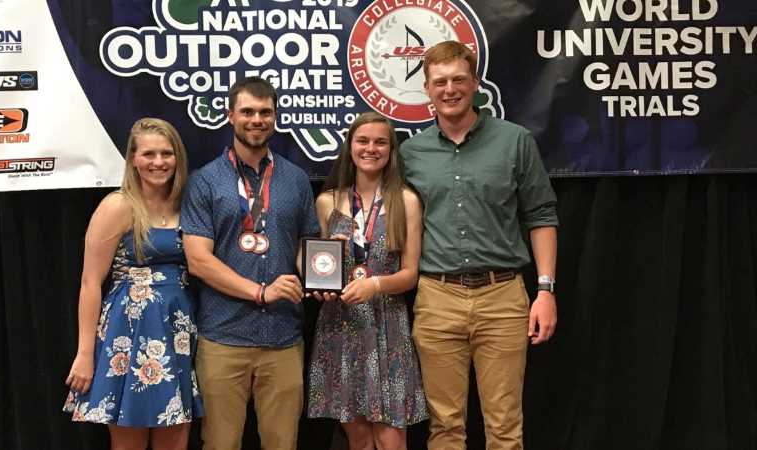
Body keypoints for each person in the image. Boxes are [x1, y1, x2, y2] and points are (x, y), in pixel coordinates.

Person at [399, 41, 559, 450]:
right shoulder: (411, 153)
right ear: (427, 89)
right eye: (439, 82)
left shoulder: (515, 141)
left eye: (457, 79)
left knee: (505, 427)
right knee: (445, 426)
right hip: (436, 298)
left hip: (503, 297)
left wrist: (545, 290)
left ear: (474, 83)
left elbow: (541, 216)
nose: (449, 89)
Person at [180, 76, 320, 450]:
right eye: (247, 111)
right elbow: (198, 261)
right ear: (230, 116)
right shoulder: (204, 181)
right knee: (220, 444)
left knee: (282, 443)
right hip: (223, 337)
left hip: (283, 339)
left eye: (265, 112)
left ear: (275, 117)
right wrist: (260, 292)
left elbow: (307, 247)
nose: (256, 119)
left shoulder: (296, 179)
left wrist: (327, 277)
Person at [63, 118, 204, 450]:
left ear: (178, 158)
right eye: (149, 154)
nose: (158, 162)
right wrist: (85, 354)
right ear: (133, 160)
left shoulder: (190, 204)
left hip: (179, 332)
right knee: (129, 440)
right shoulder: (118, 206)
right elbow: (89, 283)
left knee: (176, 438)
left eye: (166, 153)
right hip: (128, 331)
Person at [307, 112, 428, 450]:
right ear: (350, 146)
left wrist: (374, 285)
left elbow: (410, 274)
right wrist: (319, 285)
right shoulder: (327, 201)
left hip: (387, 326)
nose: (370, 148)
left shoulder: (405, 201)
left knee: (391, 437)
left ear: (391, 150)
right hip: (340, 325)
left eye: (380, 142)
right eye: (362, 141)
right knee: (357, 437)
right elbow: (318, 264)